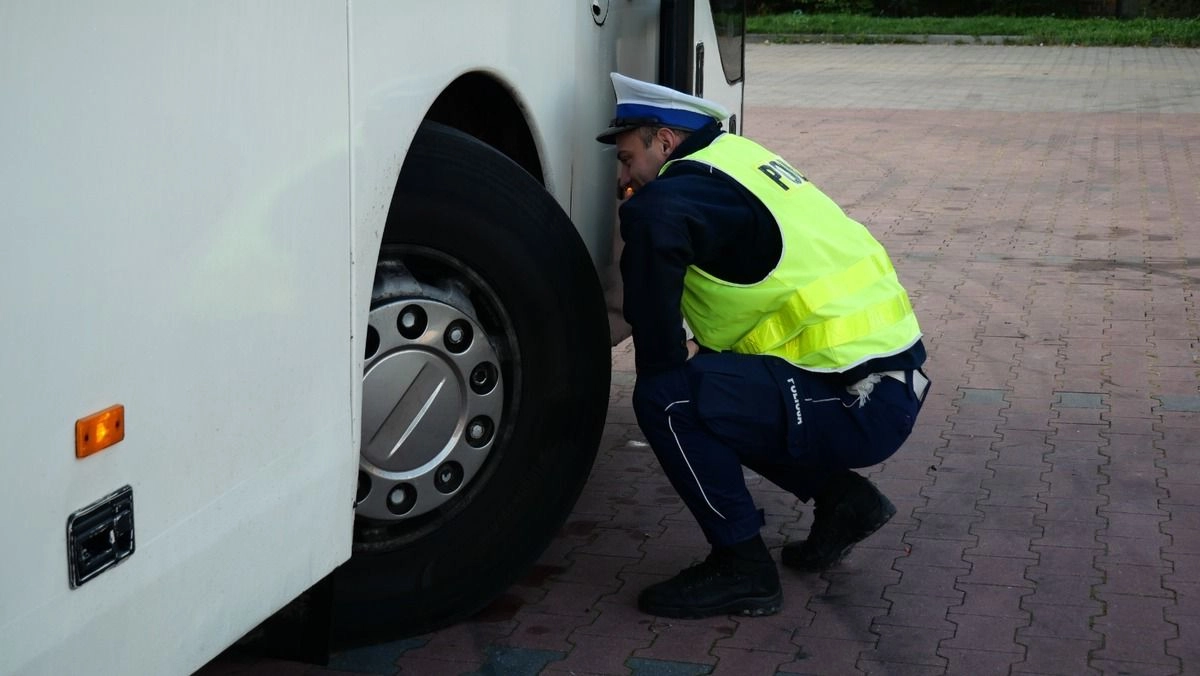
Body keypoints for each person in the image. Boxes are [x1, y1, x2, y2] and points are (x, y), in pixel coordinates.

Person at [596, 73, 930, 619]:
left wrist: (661, 363)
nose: (622, 177)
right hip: (878, 378)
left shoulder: (669, 196)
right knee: (720, 390)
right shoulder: (735, 157)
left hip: (857, 397)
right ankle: (843, 502)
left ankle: (742, 568)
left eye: (628, 158)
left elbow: (655, 233)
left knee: (669, 398)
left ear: (665, 140)